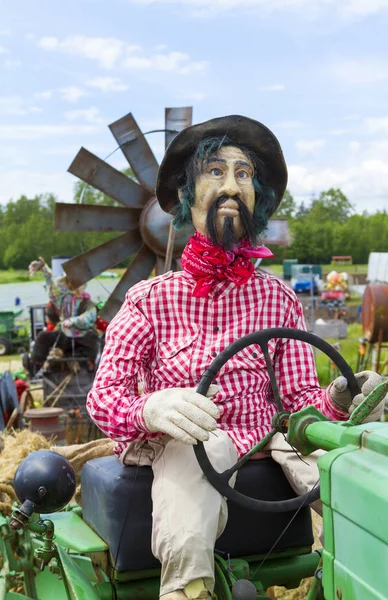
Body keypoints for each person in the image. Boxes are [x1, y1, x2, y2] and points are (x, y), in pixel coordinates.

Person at [86, 115, 383, 600]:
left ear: (257, 198)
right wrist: (152, 409)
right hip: (190, 444)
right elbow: (105, 398)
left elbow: (298, 401)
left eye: (243, 174)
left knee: (356, 475)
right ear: (188, 194)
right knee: (197, 456)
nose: (230, 185)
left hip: (273, 441)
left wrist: (339, 396)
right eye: (215, 171)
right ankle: (188, 591)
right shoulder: (149, 299)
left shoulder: (279, 300)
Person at [24, 257, 99, 376]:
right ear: (68, 283)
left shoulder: (88, 303)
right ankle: (35, 369)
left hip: (83, 336)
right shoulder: (63, 299)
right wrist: (44, 269)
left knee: (93, 339)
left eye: (79, 282)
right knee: (43, 337)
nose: (75, 285)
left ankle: (88, 367)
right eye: (72, 282)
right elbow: (52, 291)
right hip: (65, 335)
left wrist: (74, 320)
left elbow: (88, 317)